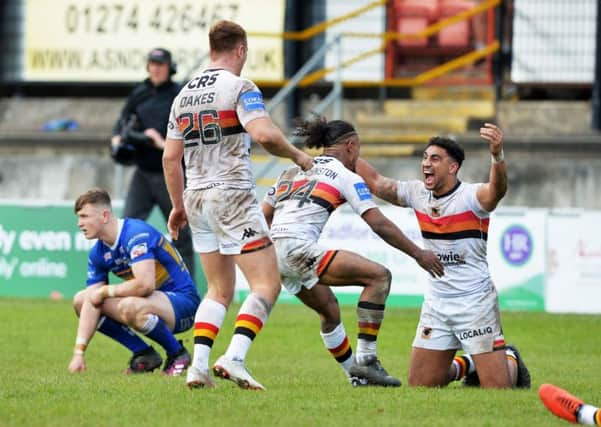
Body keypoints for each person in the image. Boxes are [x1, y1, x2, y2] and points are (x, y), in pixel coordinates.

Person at [163, 20, 313, 390]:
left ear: (212, 48)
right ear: (241, 50)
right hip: (231, 194)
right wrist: (299, 156)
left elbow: (170, 158)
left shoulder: (182, 96)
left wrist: (177, 205)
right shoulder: (240, 87)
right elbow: (263, 133)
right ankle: (234, 358)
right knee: (266, 284)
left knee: (218, 289)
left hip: (196, 197)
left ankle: (198, 367)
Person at [261, 115, 444, 387]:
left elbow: (263, 216)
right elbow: (378, 222)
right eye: (358, 148)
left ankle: (357, 376)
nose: (358, 155)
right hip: (298, 248)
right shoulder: (345, 175)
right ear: (350, 145)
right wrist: (418, 253)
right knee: (379, 277)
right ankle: (367, 360)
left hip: (271, 252)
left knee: (329, 311)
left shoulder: (291, 171)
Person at [356, 123, 531, 389]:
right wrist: (344, 155)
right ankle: (467, 364)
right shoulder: (417, 193)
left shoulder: (471, 197)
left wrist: (497, 155)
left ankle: (510, 358)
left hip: (475, 302)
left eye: (435, 159)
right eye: (425, 158)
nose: (426, 163)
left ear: (453, 167)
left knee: (498, 390)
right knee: (421, 384)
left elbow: (497, 191)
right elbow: (378, 184)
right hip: (437, 302)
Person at [68, 188, 200, 376]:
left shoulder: (135, 234)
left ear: (105, 215)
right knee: (81, 300)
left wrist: (106, 292)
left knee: (129, 306)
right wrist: (78, 352)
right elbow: (91, 300)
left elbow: (145, 285)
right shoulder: (98, 252)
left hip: (183, 303)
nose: (79, 223)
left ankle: (177, 353)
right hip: (153, 303)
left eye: (84, 216)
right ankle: (145, 354)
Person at [111, 47, 195, 279]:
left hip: (171, 173)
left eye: (161, 65)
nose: (156, 69)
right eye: (152, 64)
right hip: (143, 172)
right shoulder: (140, 93)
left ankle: (187, 293)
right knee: (126, 230)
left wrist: (161, 143)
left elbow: (189, 134)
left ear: (170, 68)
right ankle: (138, 285)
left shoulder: (180, 95)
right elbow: (122, 122)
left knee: (181, 235)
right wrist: (117, 138)